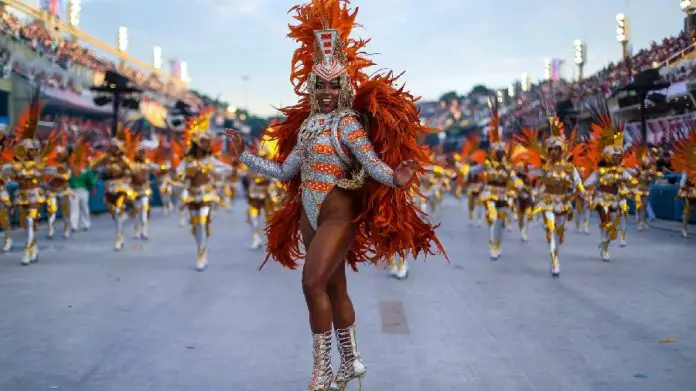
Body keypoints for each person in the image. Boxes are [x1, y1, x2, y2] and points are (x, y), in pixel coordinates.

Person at [229, 1, 445, 389]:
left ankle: (322, 369)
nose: (327, 92)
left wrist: (396, 178)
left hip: (338, 214)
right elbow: (284, 171)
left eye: (334, 85)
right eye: (320, 85)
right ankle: (353, 361)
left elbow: (372, 163)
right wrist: (245, 156)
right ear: (312, 87)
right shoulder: (310, 126)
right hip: (309, 218)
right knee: (334, 286)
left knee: (311, 283)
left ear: (344, 87)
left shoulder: (348, 124)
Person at [516, 115, 586, 277]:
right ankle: (555, 262)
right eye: (551, 149)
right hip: (547, 201)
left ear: (562, 150)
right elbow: (530, 171)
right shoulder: (544, 168)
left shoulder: (569, 168)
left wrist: (584, 194)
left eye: (557, 149)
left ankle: (557, 247)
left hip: (563, 203)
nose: (554, 151)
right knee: (551, 227)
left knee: (559, 232)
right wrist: (522, 167)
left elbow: (578, 184)